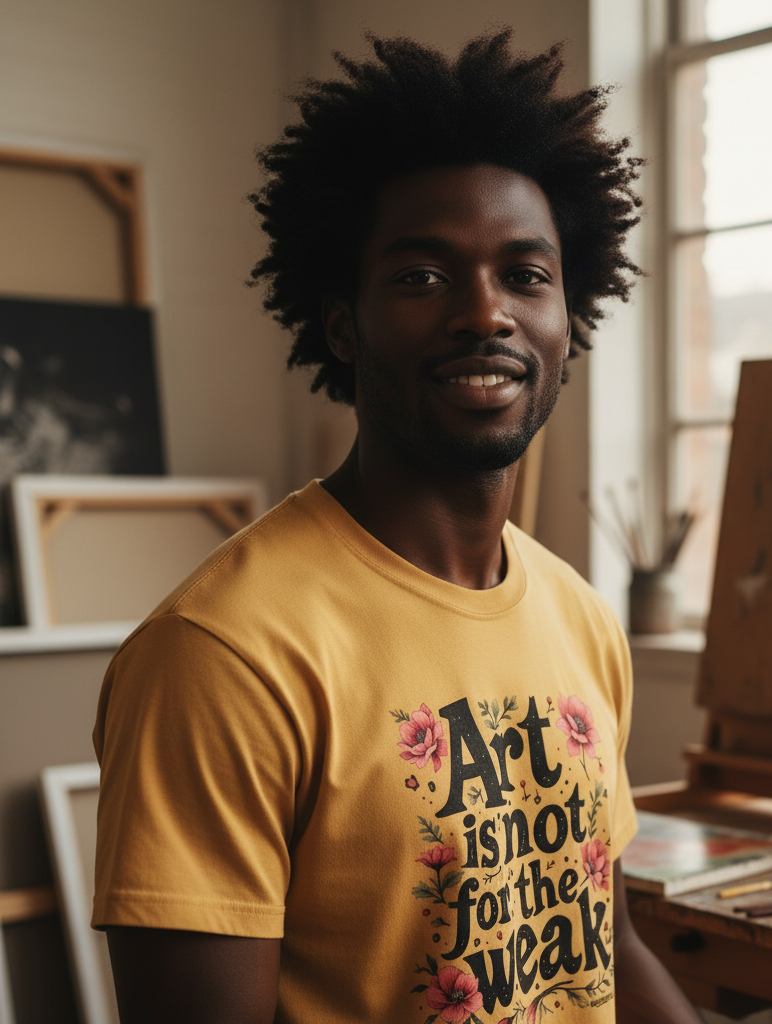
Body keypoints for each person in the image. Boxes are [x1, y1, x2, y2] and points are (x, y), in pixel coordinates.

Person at [92, 29, 703, 1024]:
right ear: (343, 324)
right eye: (423, 276)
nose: (484, 314)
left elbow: (606, 940)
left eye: (525, 275)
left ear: (568, 318)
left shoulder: (582, 618)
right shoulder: (220, 655)